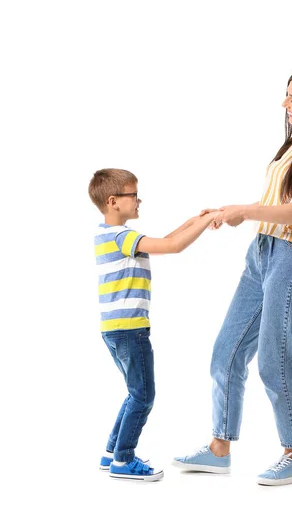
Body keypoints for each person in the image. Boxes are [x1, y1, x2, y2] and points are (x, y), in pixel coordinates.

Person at [172, 65, 292, 486]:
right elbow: (278, 202)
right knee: (226, 351)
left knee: (275, 360)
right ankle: (219, 448)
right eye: (286, 96)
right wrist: (228, 213)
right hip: (263, 252)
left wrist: (246, 211)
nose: (285, 105)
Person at [88, 168, 219, 481]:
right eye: (133, 195)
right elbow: (173, 246)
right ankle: (123, 459)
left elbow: (168, 239)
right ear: (113, 201)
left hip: (114, 329)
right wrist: (203, 223)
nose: (138, 200)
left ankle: (112, 452)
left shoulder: (107, 234)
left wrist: (196, 219)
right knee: (143, 397)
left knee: (134, 393)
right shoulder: (123, 237)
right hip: (130, 329)